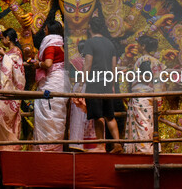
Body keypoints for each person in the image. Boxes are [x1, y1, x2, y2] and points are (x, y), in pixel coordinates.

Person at [81, 16, 123, 154]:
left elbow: (87, 65)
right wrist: (111, 84)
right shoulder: (110, 44)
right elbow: (113, 67)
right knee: (109, 115)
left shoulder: (90, 43)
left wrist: (82, 83)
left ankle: (100, 145)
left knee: (97, 114)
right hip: (107, 82)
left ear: (90, 27)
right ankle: (117, 143)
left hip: (94, 82)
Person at [32, 20, 68, 151]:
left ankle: (47, 148)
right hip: (62, 80)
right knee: (57, 115)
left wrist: (37, 64)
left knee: (49, 114)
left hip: (52, 81)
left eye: (45, 29)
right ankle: (55, 147)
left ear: (48, 30)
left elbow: (48, 64)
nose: (44, 31)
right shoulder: (62, 44)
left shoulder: (50, 44)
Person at [124, 35, 164, 154]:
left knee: (143, 123)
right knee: (148, 123)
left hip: (142, 96)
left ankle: (144, 150)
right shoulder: (153, 60)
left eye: (139, 44)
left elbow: (148, 76)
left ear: (143, 46)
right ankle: (149, 149)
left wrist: (132, 75)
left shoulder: (144, 60)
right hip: (150, 95)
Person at [0, 28, 26, 151]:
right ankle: (2, 145)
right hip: (3, 89)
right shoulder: (9, 52)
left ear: (8, 39)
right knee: (0, 117)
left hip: (10, 90)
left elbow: (15, 67)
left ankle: (9, 145)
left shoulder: (16, 51)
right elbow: (3, 66)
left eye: (3, 38)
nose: (2, 40)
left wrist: (3, 55)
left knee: (6, 116)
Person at [68, 40, 97, 152]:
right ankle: (91, 144)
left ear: (79, 50)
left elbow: (72, 78)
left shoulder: (75, 61)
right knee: (90, 117)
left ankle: (77, 144)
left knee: (77, 116)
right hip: (92, 88)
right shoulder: (93, 61)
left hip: (79, 88)